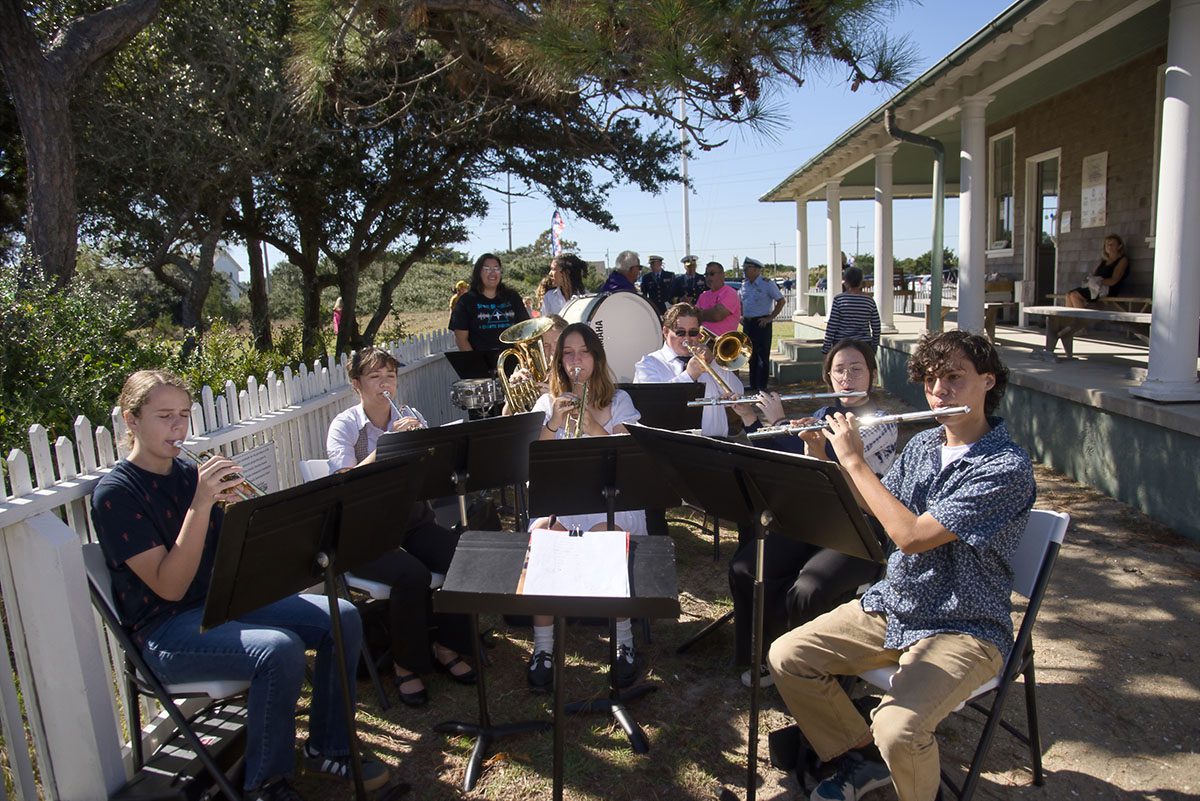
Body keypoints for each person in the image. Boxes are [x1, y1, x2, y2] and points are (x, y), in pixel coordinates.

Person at [92, 370, 390, 801]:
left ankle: (329, 746)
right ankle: (266, 784)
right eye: (164, 417)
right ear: (131, 420)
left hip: (221, 604)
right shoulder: (116, 493)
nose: (178, 428)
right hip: (164, 632)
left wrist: (245, 515)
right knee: (278, 648)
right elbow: (170, 588)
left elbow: (234, 558)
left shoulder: (185, 474)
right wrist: (201, 503)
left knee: (342, 617)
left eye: (183, 415)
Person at [767, 330, 1036, 801]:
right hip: (898, 604)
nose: (940, 391)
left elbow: (911, 538)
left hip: (964, 623)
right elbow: (876, 507)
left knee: (898, 728)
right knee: (788, 656)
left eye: (954, 378)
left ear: (988, 382)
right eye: (932, 380)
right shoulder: (925, 444)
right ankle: (863, 759)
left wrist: (854, 461)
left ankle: (892, 763)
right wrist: (820, 453)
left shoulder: (1005, 467)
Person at [727, 339, 896, 688]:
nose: (847, 377)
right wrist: (752, 422)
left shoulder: (883, 421)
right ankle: (764, 655)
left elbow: (833, 460)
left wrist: (780, 421)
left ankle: (810, 674)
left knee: (808, 588)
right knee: (747, 567)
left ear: (872, 374)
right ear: (828, 378)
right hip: (816, 518)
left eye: (856, 369)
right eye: (839, 371)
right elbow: (787, 460)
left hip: (861, 527)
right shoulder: (822, 416)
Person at [325, 348, 476, 707]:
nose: (385, 383)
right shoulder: (344, 425)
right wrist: (389, 446)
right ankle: (405, 665)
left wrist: (427, 448)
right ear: (356, 385)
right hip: (363, 531)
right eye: (375, 377)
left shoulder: (409, 415)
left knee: (462, 557)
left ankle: (446, 644)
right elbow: (345, 482)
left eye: (390, 375)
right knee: (412, 574)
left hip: (410, 520)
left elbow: (432, 480)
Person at [527, 322, 644, 690]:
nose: (575, 361)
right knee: (543, 536)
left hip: (610, 500)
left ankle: (623, 640)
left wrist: (593, 424)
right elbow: (532, 461)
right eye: (567, 354)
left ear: (596, 357)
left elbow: (628, 456)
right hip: (562, 499)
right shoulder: (547, 402)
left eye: (583, 353)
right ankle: (543, 647)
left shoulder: (620, 400)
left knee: (609, 537)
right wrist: (553, 423)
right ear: (559, 361)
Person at [633, 302, 743, 438]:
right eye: (680, 332)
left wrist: (714, 363)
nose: (687, 338)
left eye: (693, 332)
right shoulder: (648, 364)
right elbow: (655, 406)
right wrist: (689, 375)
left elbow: (739, 394)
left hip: (717, 443)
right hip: (671, 444)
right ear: (666, 332)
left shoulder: (707, 361)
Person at [449, 253, 530, 352]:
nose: (492, 273)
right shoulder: (466, 301)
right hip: (480, 363)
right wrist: (478, 364)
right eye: (487, 269)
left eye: (496, 269)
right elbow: (461, 339)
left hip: (513, 362)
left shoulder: (513, 297)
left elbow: (525, 330)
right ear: (478, 272)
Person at [500, 314, 567, 416]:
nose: (553, 349)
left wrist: (551, 398)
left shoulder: (572, 369)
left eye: (557, 343)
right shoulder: (525, 369)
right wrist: (513, 396)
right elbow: (506, 416)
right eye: (545, 345)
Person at [738, 257, 786, 393]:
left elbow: (781, 301)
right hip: (748, 323)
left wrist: (770, 317)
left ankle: (762, 385)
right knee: (750, 354)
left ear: (756, 269)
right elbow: (740, 302)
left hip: (762, 322)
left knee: (762, 355)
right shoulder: (744, 285)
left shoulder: (767, 284)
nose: (745, 272)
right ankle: (753, 384)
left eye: (747, 269)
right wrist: (741, 316)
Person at [822, 265, 881, 354]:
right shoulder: (869, 301)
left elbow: (832, 325)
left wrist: (826, 348)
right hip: (864, 344)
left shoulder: (839, 300)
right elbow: (876, 326)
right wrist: (874, 346)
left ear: (845, 282)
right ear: (861, 282)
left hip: (841, 344)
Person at [1065, 233, 1129, 307]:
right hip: (1097, 287)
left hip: (1108, 289)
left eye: (1112, 244)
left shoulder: (1122, 260)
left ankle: (1081, 318)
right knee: (1068, 294)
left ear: (1119, 246)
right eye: (1107, 244)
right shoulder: (1104, 261)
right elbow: (1096, 275)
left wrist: (1098, 282)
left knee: (1074, 295)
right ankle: (1070, 317)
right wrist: (1091, 281)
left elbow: (1114, 280)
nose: (1109, 246)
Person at [696, 261, 742, 337]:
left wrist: (701, 313)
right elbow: (695, 317)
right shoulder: (703, 295)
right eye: (706, 275)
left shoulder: (730, 293)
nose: (708, 278)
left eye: (712, 274)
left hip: (724, 343)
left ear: (722, 275)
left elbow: (717, 315)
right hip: (703, 343)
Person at [541, 253, 587, 317]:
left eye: (553, 269)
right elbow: (545, 324)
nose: (550, 273)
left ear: (567, 272)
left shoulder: (587, 298)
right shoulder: (549, 297)